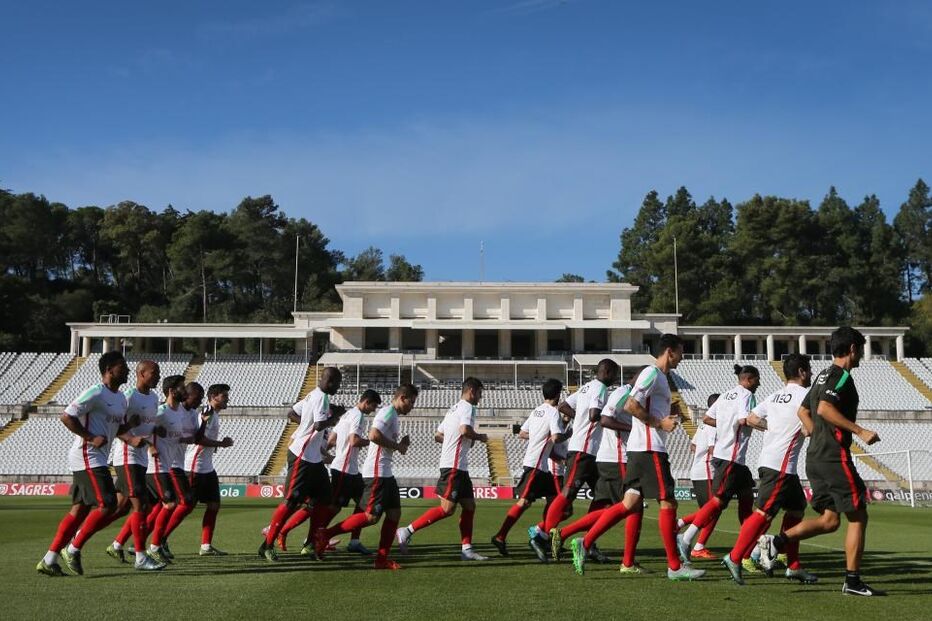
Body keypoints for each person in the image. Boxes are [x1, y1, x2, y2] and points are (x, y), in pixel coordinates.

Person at [567, 334, 705, 581]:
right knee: (668, 503)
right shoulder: (652, 373)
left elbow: (644, 406)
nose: (682, 357)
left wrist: (666, 413)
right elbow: (631, 404)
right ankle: (674, 567)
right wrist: (658, 422)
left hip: (639, 449)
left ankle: (584, 543)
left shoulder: (659, 377)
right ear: (670, 351)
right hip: (649, 449)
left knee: (629, 504)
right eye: (681, 352)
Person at [759, 327, 885, 597]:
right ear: (852, 349)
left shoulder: (821, 376)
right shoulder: (840, 376)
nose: (861, 354)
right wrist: (859, 431)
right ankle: (852, 581)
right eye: (860, 349)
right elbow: (825, 409)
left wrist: (815, 433)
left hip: (815, 456)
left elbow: (804, 410)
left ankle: (776, 541)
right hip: (832, 456)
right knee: (858, 514)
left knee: (829, 520)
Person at [37, 352, 136, 576]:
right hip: (86, 455)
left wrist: (131, 430)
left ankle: (49, 559)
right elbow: (67, 416)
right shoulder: (96, 392)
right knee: (108, 503)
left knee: (80, 510)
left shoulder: (120, 398)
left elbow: (116, 429)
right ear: (110, 369)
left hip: (98, 457)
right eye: (123, 367)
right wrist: (90, 437)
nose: (127, 370)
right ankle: (73, 548)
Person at [720, 354, 816, 585]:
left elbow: (752, 419)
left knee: (796, 510)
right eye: (809, 370)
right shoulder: (806, 395)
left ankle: (793, 566)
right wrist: (804, 430)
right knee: (763, 512)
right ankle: (735, 557)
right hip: (780, 465)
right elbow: (812, 425)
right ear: (802, 372)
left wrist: (771, 428)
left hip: (775, 462)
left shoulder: (775, 396)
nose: (811, 374)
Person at [313, 384, 417, 569]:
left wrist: (399, 445)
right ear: (402, 397)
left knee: (394, 513)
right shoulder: (387, 412)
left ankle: (381, 559)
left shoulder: (392, 415)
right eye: (411, 401)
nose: (412, 406)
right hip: (377, 472)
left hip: (386, 472)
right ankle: (325, 535)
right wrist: (397, 446)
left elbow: (382, 441)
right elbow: (374, 435)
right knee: (370, 517)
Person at [529, 359, 620, 560]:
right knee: (568, 493)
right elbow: (595, 415)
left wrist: (579, 417)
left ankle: (589, 543)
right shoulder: (600, 389)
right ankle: (542, 536)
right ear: (607, 372)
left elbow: (564, 406)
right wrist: (612, 418)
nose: (615, 379)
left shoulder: (585, 388)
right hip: (583, 449)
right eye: (614, 374)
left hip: (592, 453)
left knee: (603, 499)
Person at [396, 377, 489, 561]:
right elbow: (464, 430)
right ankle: (406, 531)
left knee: (469, 506)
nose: (480, 397)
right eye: (479, 393)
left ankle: (467, 549)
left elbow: (438, 435)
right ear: (471, 391)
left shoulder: (453, 409)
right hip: (453, 466)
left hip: (458, 466)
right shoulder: (468, 408)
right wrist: (479, 437)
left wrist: (455, 441)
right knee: (447, 509)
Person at [676, 365, 761, 562]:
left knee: (747, 499)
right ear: (749, 379)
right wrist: (769, 426)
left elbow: (707, 418)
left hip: (734, 459)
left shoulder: (725, 395)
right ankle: (687, 539)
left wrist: (724, 425)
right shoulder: (746, 394)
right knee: (718, 502)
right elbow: (743, 420)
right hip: (730, 456)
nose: (759, 383)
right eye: (757, 379)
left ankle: (751, 547)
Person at [258, 367, 345, 561]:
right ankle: (267, 545)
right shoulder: (321, 397)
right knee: (290, 502)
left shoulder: (311, 395)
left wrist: (304, 426)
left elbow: (292, 413)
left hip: (313, 459)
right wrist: (336, 415)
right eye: (338, 384)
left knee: (323, 500)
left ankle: (309, 544)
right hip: (302, 456)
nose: (338, 388)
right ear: (330, 382)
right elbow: (319, 425)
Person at [491, 379, 567, 556]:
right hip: (536, 465)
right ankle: (500, 536)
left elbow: (522, 433)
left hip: (541, 466)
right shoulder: (553, 413)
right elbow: (556, 438)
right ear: (558, 394)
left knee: (557, 503)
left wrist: (539, 436)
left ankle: (545, 536)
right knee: (524, 502)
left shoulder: (536, 411)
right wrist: (566, 434)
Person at [106, 360, 165, 570]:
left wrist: (153, 437)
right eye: (154, 372)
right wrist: (131, 439)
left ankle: (82, 539)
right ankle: (140, 557)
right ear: (141, 373)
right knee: (142, 506)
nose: (158, 376)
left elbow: (147, 426)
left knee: (117, 508)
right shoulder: (129, 397)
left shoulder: (155, 397)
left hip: (141, 458)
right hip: (127, 456)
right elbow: (118, 427)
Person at [185, 383, 235, 556]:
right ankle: (159, 542)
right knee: (185, 507)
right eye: (224, 396)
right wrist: (221, 444)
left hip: (207, 468)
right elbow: (198, 439)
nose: (227, 398)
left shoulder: (215, 415)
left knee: (214, 505)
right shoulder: (206, 413)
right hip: (194, 467)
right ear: (214, 396)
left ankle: (206, 546)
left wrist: (217, 445)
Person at [677, 394, 720, 560]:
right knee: (713, 511)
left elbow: (693, 446)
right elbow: (712, 450)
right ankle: (698, 547)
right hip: (707, 471)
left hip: (698, 471)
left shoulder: (703, 425)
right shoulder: (713, 426)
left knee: (708, 511)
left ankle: (680, 524)